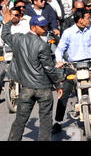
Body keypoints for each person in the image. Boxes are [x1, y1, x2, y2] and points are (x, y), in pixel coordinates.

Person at [2, 11, 63, 141]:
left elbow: (5, 35)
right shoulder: (42, 45)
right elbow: (49, 69)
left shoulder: (18, 39)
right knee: (45, 122)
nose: (45, 29)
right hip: (44, 89)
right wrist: (58, 85)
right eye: (42, 27)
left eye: (46, 26)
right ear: (33, 27)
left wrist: (7, 23)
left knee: (20, 121)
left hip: (26, 89)